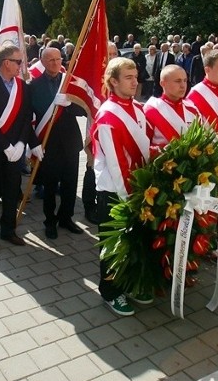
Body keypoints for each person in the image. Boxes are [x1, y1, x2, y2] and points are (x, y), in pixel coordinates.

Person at [92, 57, 151, 316]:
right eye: (128, 77)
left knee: (135, 242)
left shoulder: (138, 108)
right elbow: (116, 163)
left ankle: (131, 284)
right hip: (116, 191)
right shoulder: (107, 115)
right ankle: (111, 292)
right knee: (113, 245)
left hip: (136, 189)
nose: (134, 81)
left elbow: (146, 148)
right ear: (113, 82)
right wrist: (131, 196)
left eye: (135, 76)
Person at [0, 44, 39, 254]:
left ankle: (8, 230)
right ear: (6, 63)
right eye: (19, 61)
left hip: (16, 150)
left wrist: (22, 144)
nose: (22, 65)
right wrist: (5, 146)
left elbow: (25, 117)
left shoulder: (22, 86)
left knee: (12, 191)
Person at [28, 47, 86, 240]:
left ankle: (66, 218)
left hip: (70, 141)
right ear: (42, 62)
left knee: (70, 184)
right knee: (50, 185)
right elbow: (28, 118)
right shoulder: (33, 86)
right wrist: (33, 143)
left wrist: (71, 104)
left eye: (58, 59)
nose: (55, 63)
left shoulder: (70, 82)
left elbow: (84, 110)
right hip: (48, 143)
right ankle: (50, 221)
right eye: (50, 60)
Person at [144, 65, 198, 154]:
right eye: (178, 81)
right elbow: (142, 147)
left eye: (185, 81)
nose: (183, 85)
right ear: (163, 83)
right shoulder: (151, 110)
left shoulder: (192, 108)